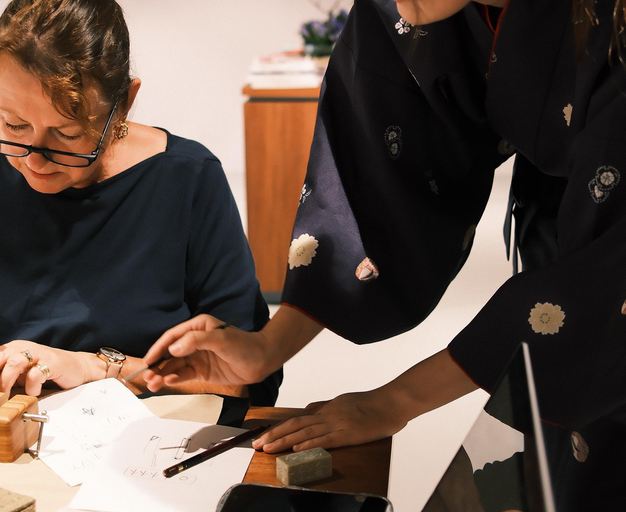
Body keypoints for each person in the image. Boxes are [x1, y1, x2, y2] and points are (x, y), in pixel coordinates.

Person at [143, 0, 626, 509]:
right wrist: (266, 350)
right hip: (557, 242)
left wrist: (394, 401)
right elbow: (370, 172)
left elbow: (603, 281)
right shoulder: (410, 8)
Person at [0, 0, 281, 406]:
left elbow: (249, 382)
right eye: (13, 124)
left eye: (68, 134)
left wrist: (93, 369)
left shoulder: (187, 179)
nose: (33, 157)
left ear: (124, 105)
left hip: (131, 462)